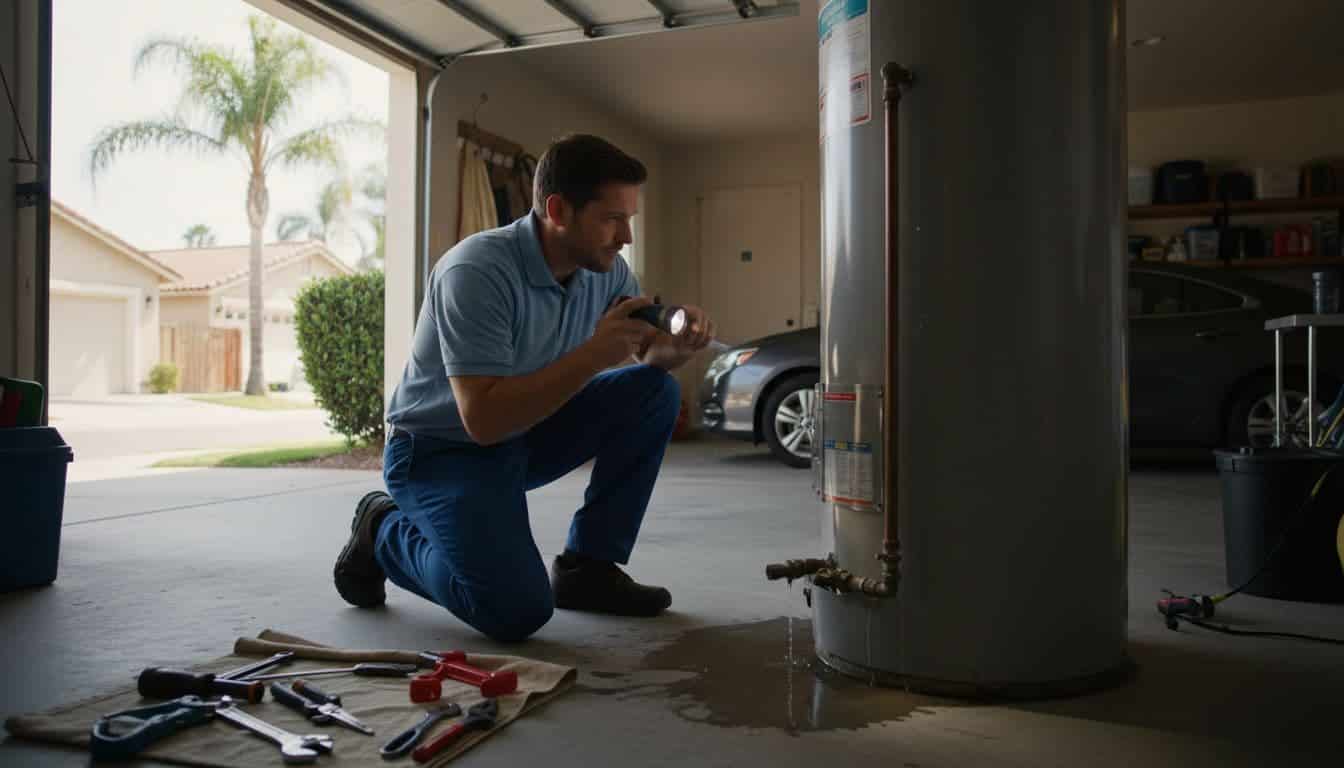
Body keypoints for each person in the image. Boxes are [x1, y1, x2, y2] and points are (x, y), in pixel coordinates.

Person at [333, 134, 715, 642]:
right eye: (612, 219)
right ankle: (382, 529)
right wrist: (596, 353)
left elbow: (646, 353)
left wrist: (680, 348)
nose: (624, 236)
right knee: (514, 611)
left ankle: (588, 571)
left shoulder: (604, 270)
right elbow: (483, 421)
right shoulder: (476, 272)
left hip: (526, 432)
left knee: (654, 391)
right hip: (442, 452)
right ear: (558, 209)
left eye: (630, 220)